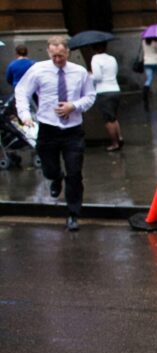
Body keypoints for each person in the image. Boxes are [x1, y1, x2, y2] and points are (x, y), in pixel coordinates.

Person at [14, 36, 96, 231]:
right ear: (48, 52)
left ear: (68, 52)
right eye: (54, 55)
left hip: (73, 130)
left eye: (61, 55)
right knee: (50, 168)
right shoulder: (38, 70)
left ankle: (73, 214)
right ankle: (56, 177)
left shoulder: (80, 72)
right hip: (48, 128)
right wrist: (25, 115)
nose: (58, 59)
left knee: (75, 173)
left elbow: (90, 96)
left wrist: (73, 106)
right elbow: (22, 91)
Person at [89, 42, 123, 152]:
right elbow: (115, 72)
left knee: (108, 120)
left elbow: (98, 77)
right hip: (115, 89)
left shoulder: (95, 59)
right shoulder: (112, 58)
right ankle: (120, 137)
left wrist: (89, 75)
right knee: (114, 116)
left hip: (103, 91)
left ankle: (114, 143)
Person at [141, 35, 157, 110]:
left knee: (149, 79)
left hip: (147, 63)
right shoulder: (155, 43)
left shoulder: (143, 42)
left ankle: (145, 95)